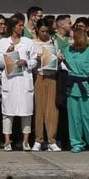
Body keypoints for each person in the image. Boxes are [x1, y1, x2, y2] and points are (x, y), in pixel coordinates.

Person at [60, 21, 89, 153]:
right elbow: (64, 60)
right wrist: (61, 59)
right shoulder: (67, 50)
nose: (69, 40)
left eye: (72, 37)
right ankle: (76, 143)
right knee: (74, 117)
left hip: (85, 86)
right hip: (72, 86)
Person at [0, 15, 36, 151]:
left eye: (22, 25)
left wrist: (26, 62)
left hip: (24, 80)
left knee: (26, 112)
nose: (21, 27)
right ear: (12, 27)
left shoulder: (28, 42)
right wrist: (7, 53)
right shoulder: (3, 42)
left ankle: (25, 142)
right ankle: (7, 141)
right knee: (8, 112)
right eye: (19, 25)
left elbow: (34, 60)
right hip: (10, 80)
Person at [30, 16, 61, 151]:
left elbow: (58, 57)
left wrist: (59, 59)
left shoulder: (53, 42)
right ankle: (38, 139)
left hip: (52, 76)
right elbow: (29, 61)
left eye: (46, 31)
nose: (44, 34)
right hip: (39, 76)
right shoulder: (32, 43)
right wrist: (35, 59)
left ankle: (51, 140)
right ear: (37, 30)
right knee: (39, 108)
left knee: (52, 109)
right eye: (42, 31)